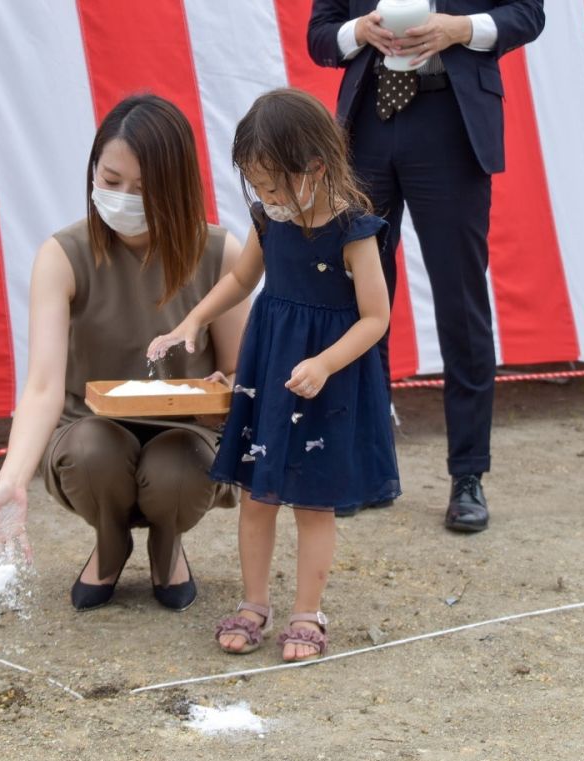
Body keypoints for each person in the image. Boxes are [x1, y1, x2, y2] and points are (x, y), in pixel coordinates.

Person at [0, 94, 249, 612]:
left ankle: (168, 543)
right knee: (94, 452)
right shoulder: (63, 255)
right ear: (92, 172)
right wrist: (12, 481)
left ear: (179, 186)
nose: (123, 197)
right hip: (88, 428)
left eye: (145, 188)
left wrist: (222, 390)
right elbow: (44, 386)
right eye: (111, 180)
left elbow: (239, 370)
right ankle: (110, 539)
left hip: (187, 431)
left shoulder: (220, 253)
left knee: (179, 468)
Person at [148, 89, 400, 662]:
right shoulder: (270, 221)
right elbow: (239, 282)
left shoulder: (355, 233)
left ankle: (307, 612)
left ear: (314, 166)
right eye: (256, 187)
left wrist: (325, 362)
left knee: (314, 503)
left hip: (324, 380)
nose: (265, 198)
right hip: (270, 372)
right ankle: (254, 602)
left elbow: (376, 319)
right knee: (257, 497)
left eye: (272, 185)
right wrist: (193, 318)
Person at [308, 0, 545, 532]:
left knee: (460, 301)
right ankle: (367, 468)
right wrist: (358, 31)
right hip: (366, 127)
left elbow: (529, 13)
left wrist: (461, 29)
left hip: (452, 125)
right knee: (359, 302)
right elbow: (319, 35)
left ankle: (468, 475)